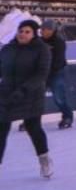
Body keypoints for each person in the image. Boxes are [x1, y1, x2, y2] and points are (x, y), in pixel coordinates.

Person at [0, 19, 54, 178]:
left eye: (27, 31)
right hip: (7, 93)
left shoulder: (42, 49)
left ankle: (44, 159)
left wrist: (23, 90)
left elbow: (41, 74)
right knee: (1, 130)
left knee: (33, 128)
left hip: (31, 94)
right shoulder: (8, 48)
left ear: (34, 33)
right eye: (20, 31)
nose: (22, 34)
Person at [40, 20, 73, 129]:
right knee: (36, 98)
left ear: (51, 30)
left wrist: (46, 72)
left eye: (44, 29)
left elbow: (57, 61)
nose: (41, 31)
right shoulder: (39, 41)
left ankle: (67, 117)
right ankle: (31, 120)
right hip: (43, 73)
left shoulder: (59, 42)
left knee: (59, 98)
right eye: (41, 29)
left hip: (56, 72)